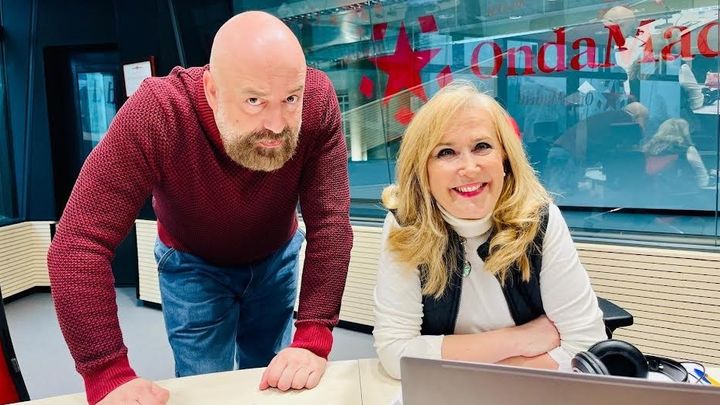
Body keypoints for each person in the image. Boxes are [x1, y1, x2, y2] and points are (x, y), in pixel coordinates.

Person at [46, 11, 353, 405]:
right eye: (254, 101)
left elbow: (330, 222)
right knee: (203, 383)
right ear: (212, 90)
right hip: (191, 263)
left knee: (276, 376)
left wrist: (312, 336)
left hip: (276, 256)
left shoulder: (317, 101)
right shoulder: (158, 112)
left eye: (290, 99)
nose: (277, 125)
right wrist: (107, 372)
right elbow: (77, 244)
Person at [372, 82, 607, 379]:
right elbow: (395, 353)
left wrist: (469, 372)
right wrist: (520, 340)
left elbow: (586, 348)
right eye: (446, 152)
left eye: (482, 147)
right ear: (422, 170)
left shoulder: (540, 220)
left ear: (505, 157)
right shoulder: (406, 224)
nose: (469, 168)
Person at [643, 118, 711, 188]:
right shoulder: (687, 149)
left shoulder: (649, 146)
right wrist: (702, 187)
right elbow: (700, 171)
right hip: (678, 188)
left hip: (650, 187)